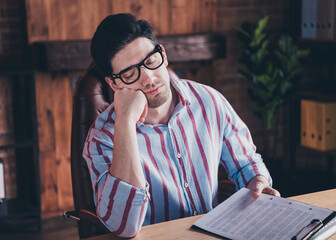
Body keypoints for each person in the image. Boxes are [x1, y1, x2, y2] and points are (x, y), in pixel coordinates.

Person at [83, 13, 280, 238]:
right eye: (129, 74)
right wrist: (125, 123)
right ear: (113, 83)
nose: (148, 78)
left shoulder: (209, 100)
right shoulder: (101, 138)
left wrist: (258, 181)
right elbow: (123, 226)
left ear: (163, 55)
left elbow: (246, 162)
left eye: (150, 62)